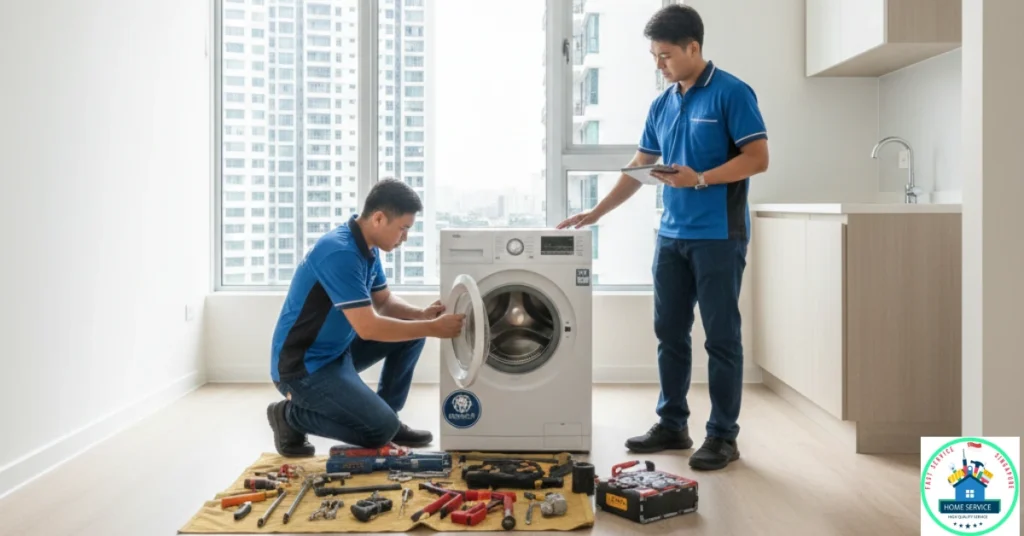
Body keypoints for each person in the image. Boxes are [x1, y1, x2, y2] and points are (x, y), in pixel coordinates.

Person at [557, 5, 769, 471]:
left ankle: (723, 436)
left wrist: (700, 179)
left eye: (666, 56)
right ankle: (673, 424)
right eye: (654, 56)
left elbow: (757, 158)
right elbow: (638, 169)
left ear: (694, 47)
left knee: (721, 339)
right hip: (670, 237)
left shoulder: (732, 93)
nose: (659, 65)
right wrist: (596, 212)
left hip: (718, 236)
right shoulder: (663, 103)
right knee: (669, 334)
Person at [266, 178, 465, 457]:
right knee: (377, 432)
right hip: (302, 369)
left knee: (413, 331)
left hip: (337, 352)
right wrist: (432, 327)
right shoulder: (340, 252)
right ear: (379, 218)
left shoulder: (367, 248)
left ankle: (388, 417)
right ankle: (289, 416)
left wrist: (420, 316)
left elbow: (383, 301)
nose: (405, 238)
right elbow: (369, 327)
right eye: (403, 229)